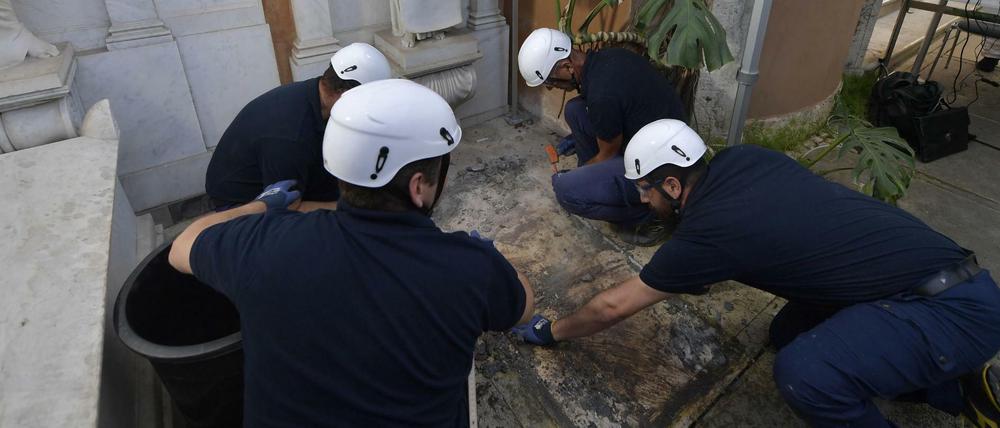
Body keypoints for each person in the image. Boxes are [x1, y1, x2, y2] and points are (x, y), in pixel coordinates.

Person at [512, 119, 1000, 427]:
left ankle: (956, 375)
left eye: (645, 190)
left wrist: (551, 331)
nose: (642, 200)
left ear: (673, 185)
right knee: (787, 332)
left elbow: (613, 306)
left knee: (806, 374)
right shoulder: (746, 158)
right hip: (945, 271)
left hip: (947, 311)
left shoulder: (706, 235)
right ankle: (954, 386)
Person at [170, 79, 534, 426]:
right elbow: (523, 307)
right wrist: (488, 262)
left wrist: (262, 206)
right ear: (418, 187)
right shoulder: (465, 269)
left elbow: (181, 247)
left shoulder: (265, 244)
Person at [517, 28, 686, 246]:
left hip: (660, 168)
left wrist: (575, 177)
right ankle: (596, 181)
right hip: (653, 138)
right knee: (575, 110)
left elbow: (608, 154)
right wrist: (578, 143)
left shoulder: (601, 94)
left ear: (567, 67)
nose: (551, 88)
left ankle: (648, 215)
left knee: (566, 191)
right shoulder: (608, 58)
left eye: (551, 81)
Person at [204, 43, 391, 211]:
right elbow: (288, 207)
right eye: (368, 101)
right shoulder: (291, 136)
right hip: (241, 203)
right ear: (343, 94)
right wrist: (360, 211)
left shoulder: (314, 94)